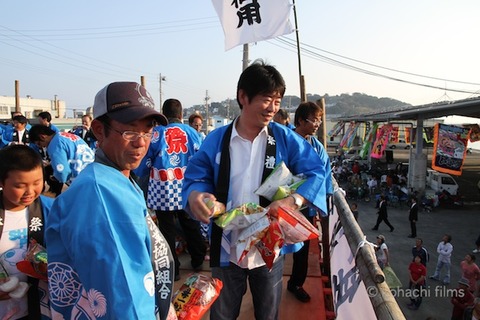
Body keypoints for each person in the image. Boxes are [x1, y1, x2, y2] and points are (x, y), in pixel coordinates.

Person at [182, 60, 328, 320]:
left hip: (269, 246)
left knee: (268, 313)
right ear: (243, 97)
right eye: (266, 99)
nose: (273, 108)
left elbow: (317, 172)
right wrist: (197, 195)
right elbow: (197, 176)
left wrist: (293, 201)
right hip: (227, 244)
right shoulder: (216, 139)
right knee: (223, 314)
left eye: (278, 100)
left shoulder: (285, 138)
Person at [46, 81, 175, 319]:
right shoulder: (100, 193)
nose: (141, 142)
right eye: (129, 131)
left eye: (148, 131)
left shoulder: (118, 178)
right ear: (98, 129)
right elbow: (123, 296)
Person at [135, 98, 206, 281]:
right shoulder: (192, 133)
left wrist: (142, 174)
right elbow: (200, 160)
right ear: (181, 115)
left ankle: (172, 270)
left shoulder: (156, 134)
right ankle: (198, 260)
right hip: (186, 188)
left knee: (166, 231)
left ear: (163, 115)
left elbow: (145, 163)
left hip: (162, 190)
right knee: (190, 224)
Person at [285, 101, 332, 302]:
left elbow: (325, 174)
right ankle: (265, 283)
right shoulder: (284, 140)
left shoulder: (317, 146)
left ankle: (295, 283)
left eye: (320, 120)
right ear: (302, 120)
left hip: (304, 205)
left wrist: (324, 202)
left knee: (302, 249)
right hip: (280, 202)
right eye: (315, 120)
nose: (318, 124)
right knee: (272, 243)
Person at [0, 145, 53, 319]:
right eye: (20, 185)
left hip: (41, 306)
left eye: (37, 182)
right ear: (1, 182)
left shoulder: (52, 210)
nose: (30, 192)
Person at [29, 125, 95, 186]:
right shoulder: (67, 136)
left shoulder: (54, 144)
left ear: (42, 137)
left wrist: (56, 177)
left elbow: (62, 171)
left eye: (39, 144)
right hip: (94, 171)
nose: (42, 147)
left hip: (82, 180)